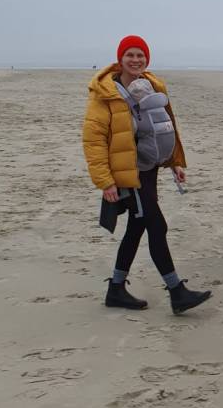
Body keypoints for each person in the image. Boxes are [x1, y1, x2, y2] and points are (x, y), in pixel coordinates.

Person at [82, 35, 212, 315]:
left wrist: (173, 162)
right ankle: (177, 292)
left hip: (149, 170)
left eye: (140, 55)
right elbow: (94, 140)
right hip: (129, 174)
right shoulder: (105, 93)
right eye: (130, 55)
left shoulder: (152, 86)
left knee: (137, 226)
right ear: (120, 59)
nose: (135, 60)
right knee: (157, 226)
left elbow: (163, 127)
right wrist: (105, 181)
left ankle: (116, 289)